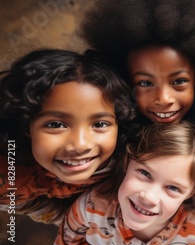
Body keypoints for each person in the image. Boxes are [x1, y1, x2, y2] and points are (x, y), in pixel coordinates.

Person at [53, 122, 195, 245]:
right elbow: (66, 244)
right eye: (145, 173)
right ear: (127, 163)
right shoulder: (90, 208)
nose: (149, 197)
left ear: (191, 193)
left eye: (173, 188)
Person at [0, 49, 134, 224]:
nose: (80, 144)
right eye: (56, 125)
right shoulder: (9, 174)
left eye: (100, 124)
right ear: (26, 125)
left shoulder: (130, 160)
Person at [81, 0, 195, 124]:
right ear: (127, 81)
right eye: (145, 83)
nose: (164, 99)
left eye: (179, 81)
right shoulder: (117, 120)